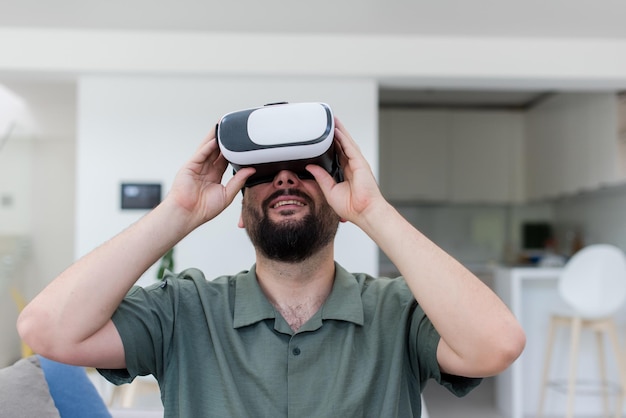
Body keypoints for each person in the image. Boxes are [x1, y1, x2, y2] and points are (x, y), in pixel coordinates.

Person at [17, 116, 525, 417]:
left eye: (306, 167)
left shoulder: (397, 311)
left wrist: (375, 212)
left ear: (341, 201)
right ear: (240, 212)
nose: (285, 179)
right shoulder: (185, 309)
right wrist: (179, 212)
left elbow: (497, 344)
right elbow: (47, 330)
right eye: (262, 172)